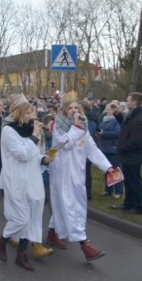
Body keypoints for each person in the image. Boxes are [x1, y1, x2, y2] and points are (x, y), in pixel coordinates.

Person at [48, 93, 113, 261]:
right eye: (70, 108)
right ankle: (85, 245)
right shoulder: (58, 126)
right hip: (62, 174)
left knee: (65, 204)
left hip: (77, 174)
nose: (74, 110)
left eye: (76, 108)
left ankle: (52, 233)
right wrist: (76, 127)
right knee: (71, 207)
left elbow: (92, 150)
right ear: (64, 111)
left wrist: (108, 167)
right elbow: (66, 145)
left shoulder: (83, 128)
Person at [0, 102, 51, 271]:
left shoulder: (34, 132)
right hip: (16, 178)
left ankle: (21, 254)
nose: (32, 116)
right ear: (18, 113)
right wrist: (34, 136)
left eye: (33, 113)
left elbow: (35, 154)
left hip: (33, 176)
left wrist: (43, 159)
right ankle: (2, 240)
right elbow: (22, 154)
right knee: (21, 217)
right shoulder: (8, 131)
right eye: (28, 113)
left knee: (33, 215)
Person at [111, 92, 142, 214]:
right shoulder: (133, 115)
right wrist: (118, 116)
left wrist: (122, 148)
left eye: (128, 100)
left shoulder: (139, 117)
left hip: (133, 155)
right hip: (128, 155)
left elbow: (137, 140)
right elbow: (126, 127)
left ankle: (138, 206)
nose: (127, 102)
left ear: (134, 102)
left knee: (134, 181)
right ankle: (128, 203)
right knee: (128, 180)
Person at [98, 103, 122, 199]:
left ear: (113, 110)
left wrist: (104, 134)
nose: (106, 111)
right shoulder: (104, 120)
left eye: (108, 109)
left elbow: (117, 133)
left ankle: (118, 191)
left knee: (116, 170)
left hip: (113, 148)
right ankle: (108, 189)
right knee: (107, 169)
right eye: (106, 109)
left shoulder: (116, 121)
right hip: (105, 148)